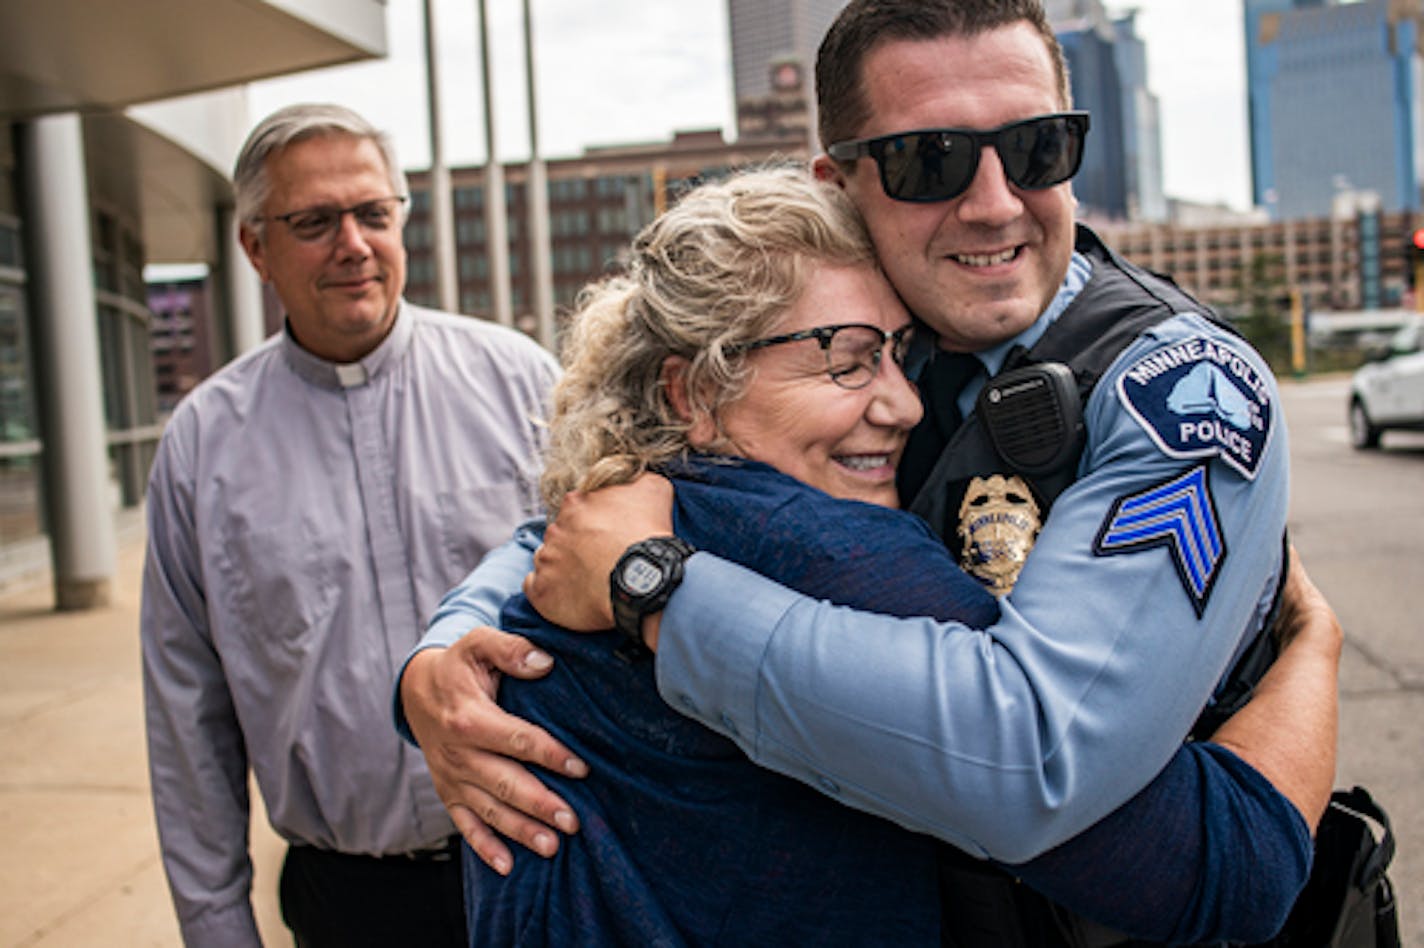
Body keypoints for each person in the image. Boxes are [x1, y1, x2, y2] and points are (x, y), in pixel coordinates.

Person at [398, 0, 1341, 940]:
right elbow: (576, 529)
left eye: (1037, 148)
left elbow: (1041, 752)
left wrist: (656, 588)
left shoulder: (1180, 389)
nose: (994, 201)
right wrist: (442, 659)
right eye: (928, 159)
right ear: (842, 184)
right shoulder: (885, 334)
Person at [140, 103, 559, 948]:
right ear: (255, 246)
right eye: (314, 222)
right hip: (351, 905)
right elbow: (188, 714)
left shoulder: (520, 385)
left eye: (374, 213)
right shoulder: (203, 446)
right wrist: (218, 927)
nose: (354, 244)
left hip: (547, 869)